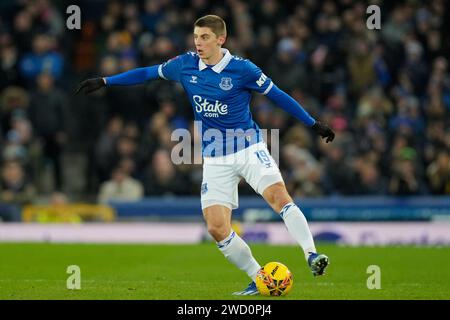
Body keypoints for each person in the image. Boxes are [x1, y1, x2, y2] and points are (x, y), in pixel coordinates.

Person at [76, 15, 335, 295]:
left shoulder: (242, 69)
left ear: (220, 39)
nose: (198, 43)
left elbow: (279, 95)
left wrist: (312, 123)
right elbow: (147, 73)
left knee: (279, 197)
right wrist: (105, 80)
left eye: (204, 37)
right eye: (196, 37)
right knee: (216, 227)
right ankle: (259, 277)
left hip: (249, 147)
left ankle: (311, 254)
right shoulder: (185, 65)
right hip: (215, 157)